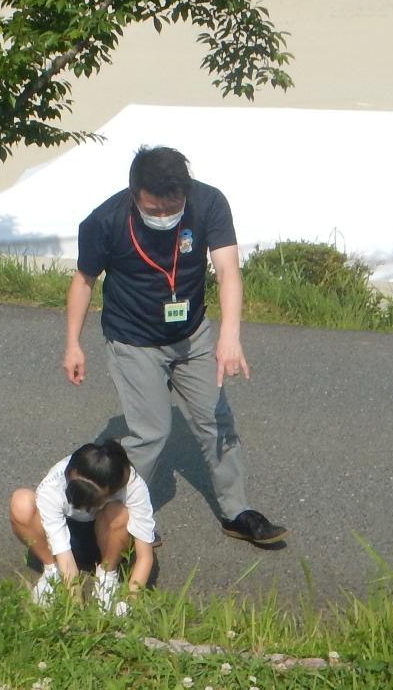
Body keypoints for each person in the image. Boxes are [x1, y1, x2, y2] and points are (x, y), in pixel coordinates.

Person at [63, 145, 288, 548]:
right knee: (151, 433)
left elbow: (228, 271)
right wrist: (72, 344)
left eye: (173, 207)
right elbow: (83, 281)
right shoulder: (105, 220)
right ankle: (115, 515)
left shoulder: (208, 202)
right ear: (135, 194)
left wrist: (229, 336)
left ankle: (237, 511)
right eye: (156, 208)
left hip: (192, 335)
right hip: (133, 339)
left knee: (217, 422)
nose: (165, 215)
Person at [9, 440, 159, 611]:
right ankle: (53, 571)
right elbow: (63, 551)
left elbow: (145, 556)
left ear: (112, 490)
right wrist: (77, 608)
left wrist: (129, 604)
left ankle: (107, 574)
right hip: (67, 535)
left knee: (119, 512)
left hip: (106, 538)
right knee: (21, 502)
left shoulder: (132, 484)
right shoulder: (54, 483)